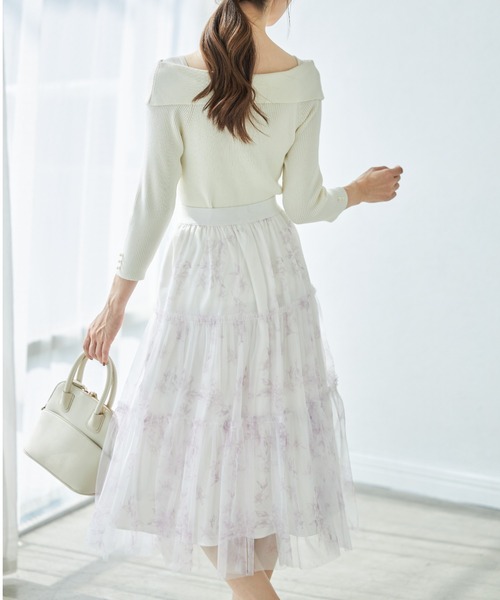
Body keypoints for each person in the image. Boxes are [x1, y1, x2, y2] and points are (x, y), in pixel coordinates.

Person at [83, 1, 403, 598]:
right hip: (275, 271)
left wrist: (115, 302)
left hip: (204, 272)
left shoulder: (173, 79)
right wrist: (356, 192)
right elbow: (302, 204)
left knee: (197, 439)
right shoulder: (302, 79)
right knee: (265, 431)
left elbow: (153, 201)